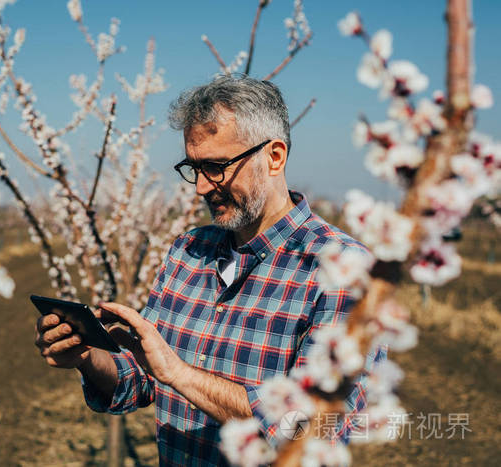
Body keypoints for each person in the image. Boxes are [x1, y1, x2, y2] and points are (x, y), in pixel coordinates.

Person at [35, 75, 385, 466]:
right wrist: (86, 354)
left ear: (275, 157)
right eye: (193, 167)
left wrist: (181, 375)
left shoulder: (342, 272)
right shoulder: (188, 252)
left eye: (216, 166)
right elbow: (140, 379)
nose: (201, 187)